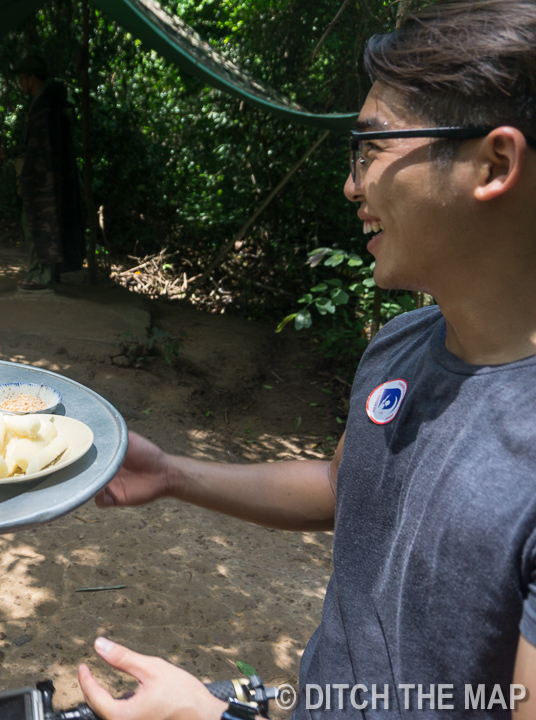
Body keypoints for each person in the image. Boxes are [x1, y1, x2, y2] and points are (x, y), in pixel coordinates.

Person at [76, 1, 536, 718]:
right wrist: (172, 475)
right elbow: (344, 483)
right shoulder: (403, 343)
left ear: (494, 163)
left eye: (372, 149)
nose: (353, 185)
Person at [12, 55, 86, 291]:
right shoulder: (45, 103)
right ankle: (44, 274)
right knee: (43, 223)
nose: (21, 84)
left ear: (31, 78)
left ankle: (41, 276)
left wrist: (26, 179)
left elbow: (40, 150)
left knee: (37, 224)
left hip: (43, 182)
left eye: (22, 78)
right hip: (48, 180)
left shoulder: (44, 106)